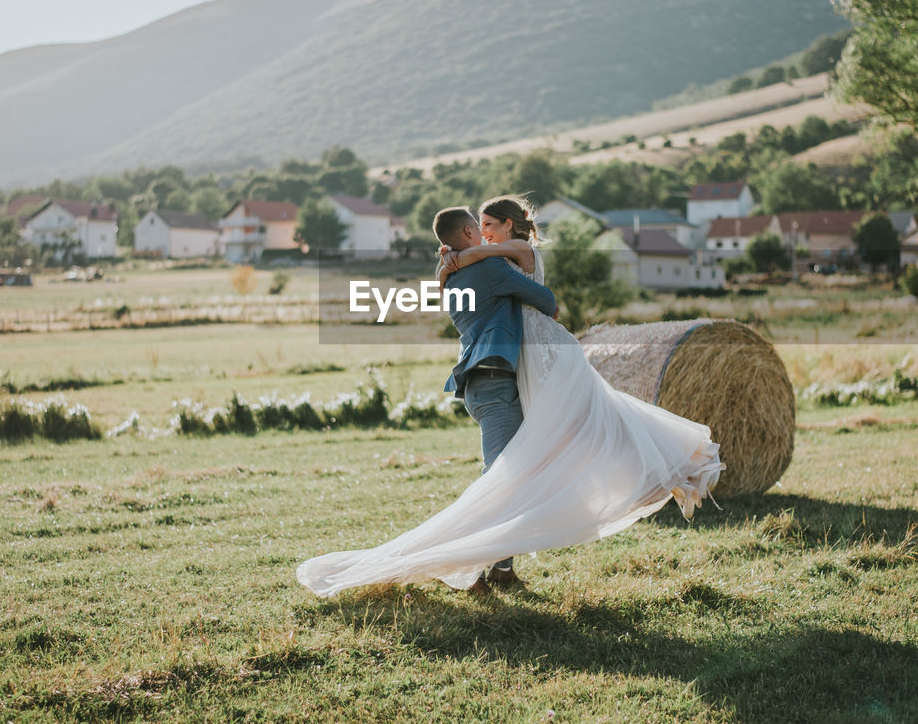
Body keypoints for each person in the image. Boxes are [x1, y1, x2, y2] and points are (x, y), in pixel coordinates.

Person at [296, 197, 723, 598]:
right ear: (468, 232)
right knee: (501, 478)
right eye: (478, 229)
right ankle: (471, 568)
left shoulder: (453, 278)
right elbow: (547, 301)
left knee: (516, 472)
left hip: (484, 382)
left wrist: (456, 259)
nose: (484, 235)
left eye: (489, 227)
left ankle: (501, 568)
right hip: (497, 379)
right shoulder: (492, 270)